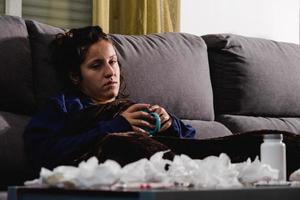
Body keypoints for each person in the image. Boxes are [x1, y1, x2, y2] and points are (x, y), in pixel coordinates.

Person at [23, 26, 195, 172]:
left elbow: (191, 140)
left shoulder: (131, 108)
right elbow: (40, 151)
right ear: (76, 76)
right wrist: (115, 127)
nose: (110, 72)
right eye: (96, 66)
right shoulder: (63, 106)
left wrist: (170, 123)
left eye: (112, 62)